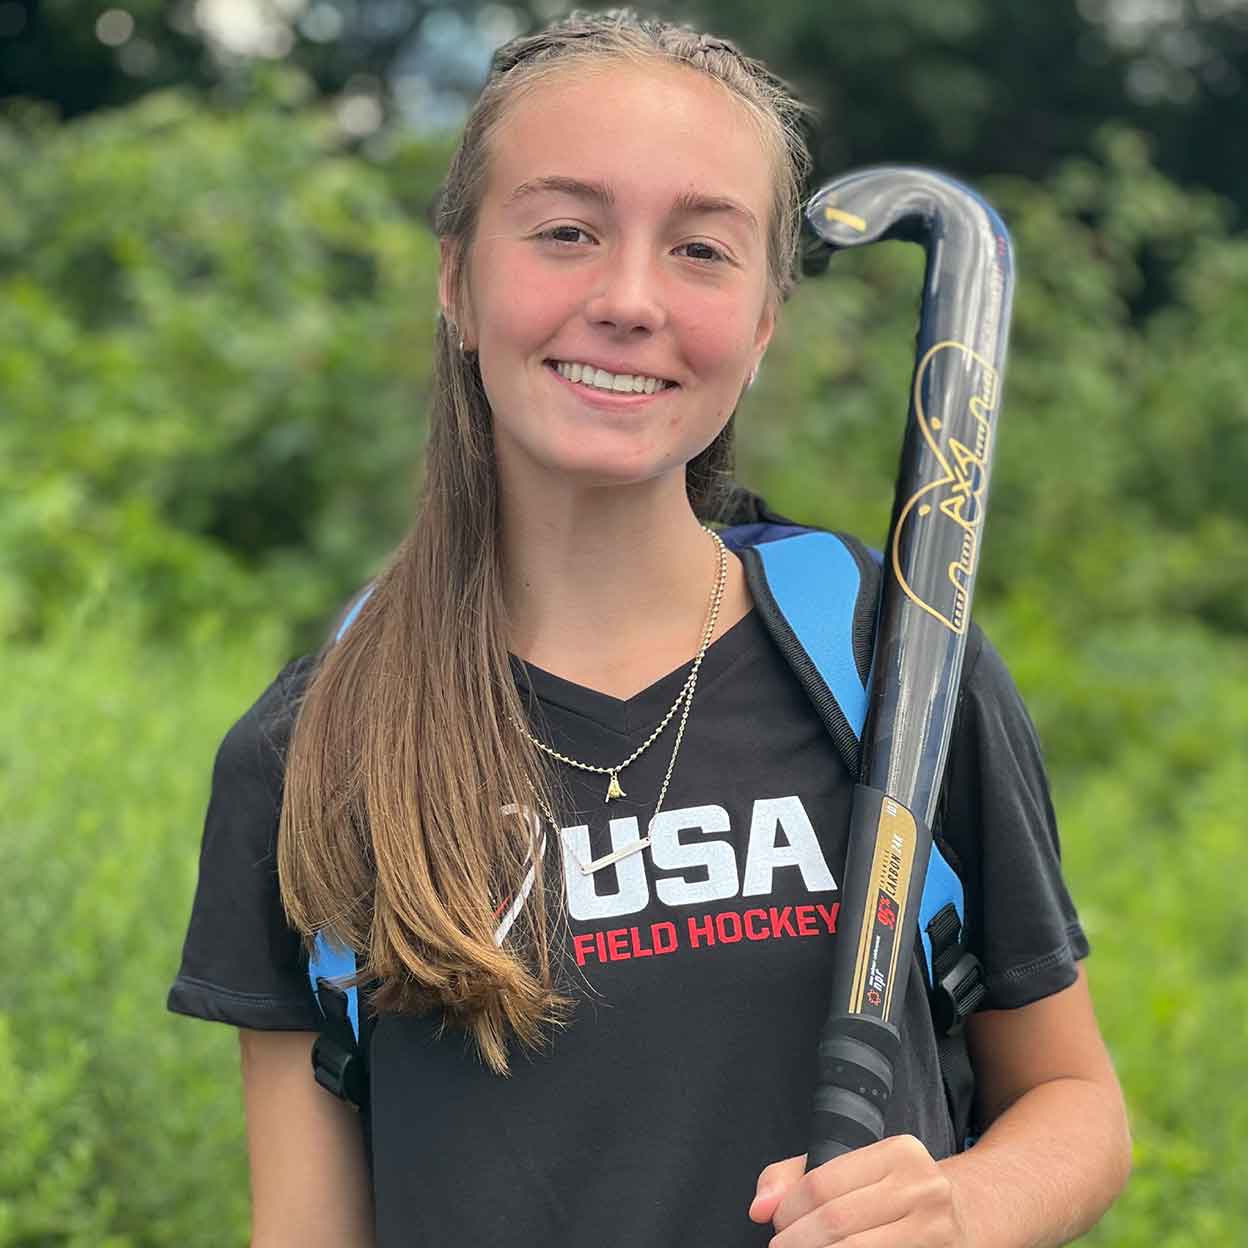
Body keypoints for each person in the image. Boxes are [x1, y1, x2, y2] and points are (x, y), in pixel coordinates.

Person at [167, 10, 1131, 1246]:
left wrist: (964, 1209)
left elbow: (1074, 1099)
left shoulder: (897, 659)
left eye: (701, 249)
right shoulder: (313, 746)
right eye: (566, 232)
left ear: (765, 320)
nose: (628, 300)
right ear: (456, 278)